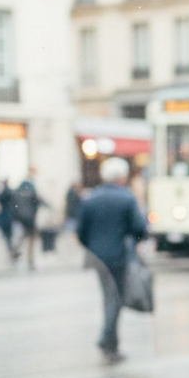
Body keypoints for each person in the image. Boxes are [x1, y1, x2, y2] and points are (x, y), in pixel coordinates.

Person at [76, 156, 148, 364]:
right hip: (117, 256)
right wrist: (132, 243)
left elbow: (81, 231)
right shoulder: (126, 198)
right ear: (121, 177)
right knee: (114, 299)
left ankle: (110, 342)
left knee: (108, 296)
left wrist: (94, 247)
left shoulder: (91, 198)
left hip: (97, 257)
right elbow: (139, 228)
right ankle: (107, 340)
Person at [10, 171, 43, 269]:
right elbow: (39, 201)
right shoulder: (32, 191)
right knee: (31, 237)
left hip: (21, 218)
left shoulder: (17, 192)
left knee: (24, 235)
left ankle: (15, 251)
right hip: (30, 218)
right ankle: (29, 257)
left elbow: (13, 205)